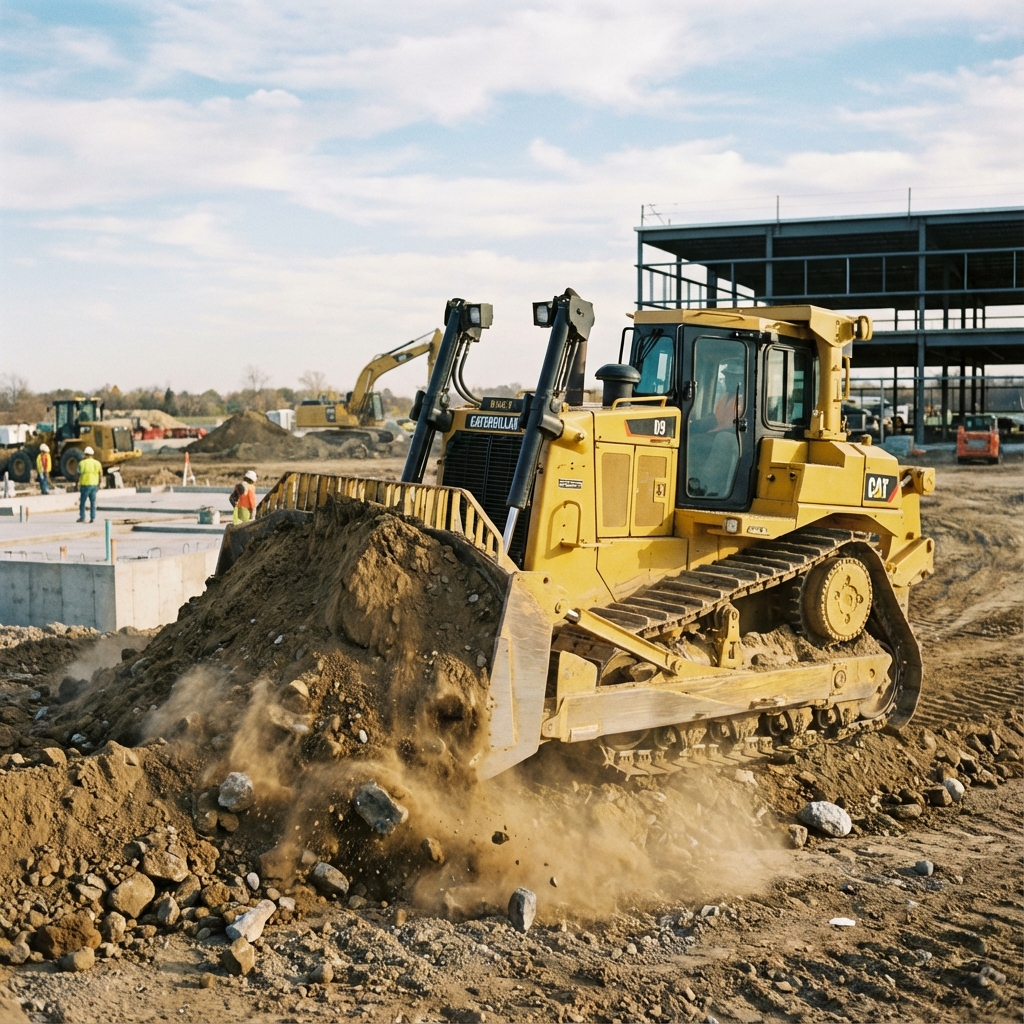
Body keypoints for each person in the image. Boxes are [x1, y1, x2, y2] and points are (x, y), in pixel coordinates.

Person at [76, 446, 103, 523]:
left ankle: (82, 517)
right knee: (93, 502)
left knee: (82, 502)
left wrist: (77, 484)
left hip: (85, 485)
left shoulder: (81, 463)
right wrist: (99, 484)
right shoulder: (97, 463)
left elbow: (78, 474)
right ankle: (92, 518)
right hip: (94, 485)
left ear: (85, 454)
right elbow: (100, 474)